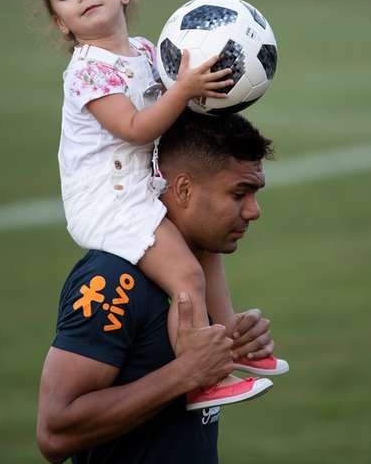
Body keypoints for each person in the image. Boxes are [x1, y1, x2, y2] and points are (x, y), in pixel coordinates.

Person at [36, 0, 286, 409]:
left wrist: (207, 92)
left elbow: (179, 109)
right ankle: (200, 379)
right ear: (60, 22)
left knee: (206, 251)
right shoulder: (88, 73)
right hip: (107, 201)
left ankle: (228, 340)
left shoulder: (149, 50)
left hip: (140, 188)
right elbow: (134, 129)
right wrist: (185, 88)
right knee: (186, 275)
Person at [37, 111, 280, 463]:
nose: (254, 211)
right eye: (239, 193)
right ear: (183, 189)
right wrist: (185, 373)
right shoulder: (110, 282)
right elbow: (54, 432)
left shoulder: (196, 272)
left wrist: (234, 339)